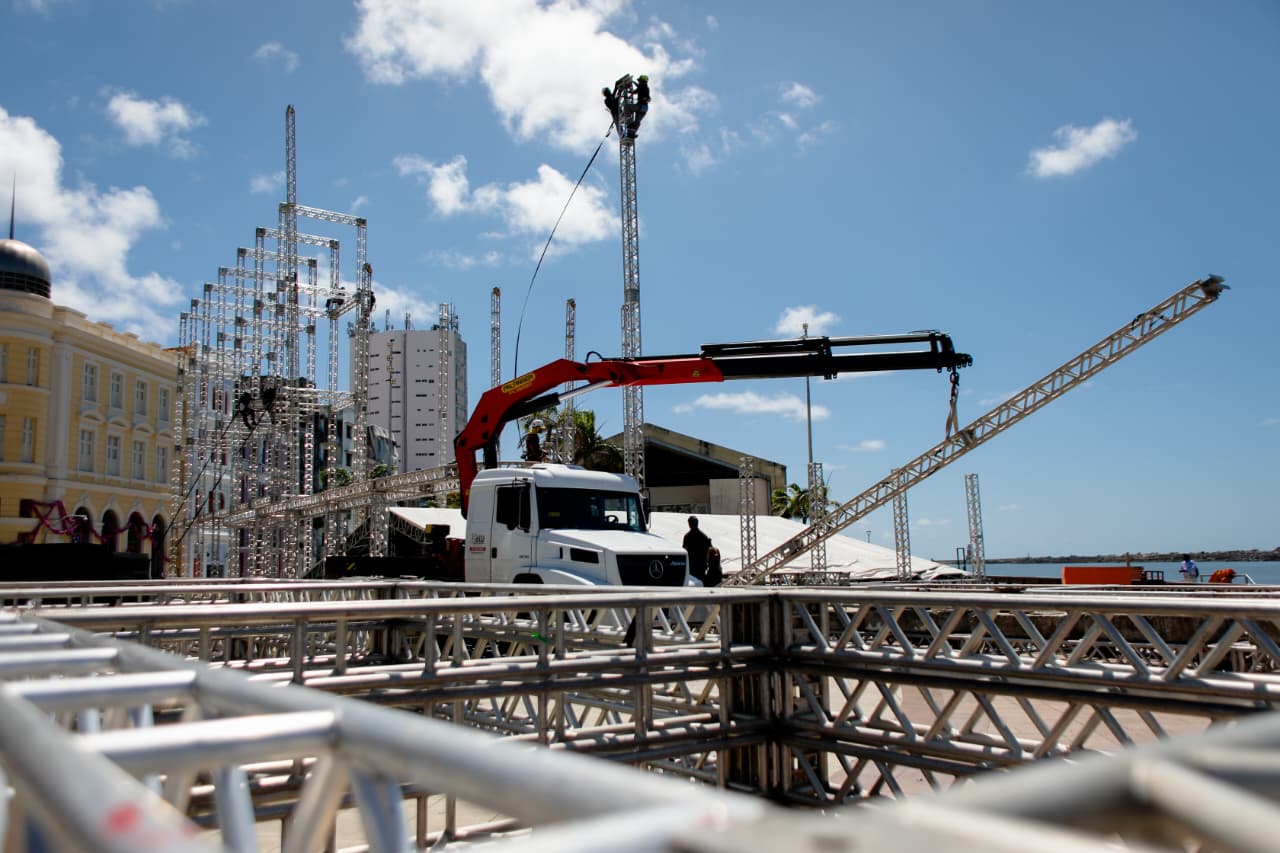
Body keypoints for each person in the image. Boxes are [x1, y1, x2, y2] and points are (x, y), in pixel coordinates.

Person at [683, 515, 712, 584]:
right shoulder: (704, 536)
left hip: (692, 565)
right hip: (702, 565)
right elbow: (709, 550)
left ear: (689, 524)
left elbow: (685, 550)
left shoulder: (687, 536)